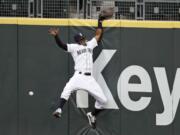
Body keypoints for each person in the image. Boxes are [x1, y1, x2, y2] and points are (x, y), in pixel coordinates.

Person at [48, 18, 107, 127]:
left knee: (103, 101)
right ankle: (59, 109)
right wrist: (56, 36)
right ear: (77, 41)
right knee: (67, 89)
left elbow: (98, 35)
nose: (83, 40)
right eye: (80, 39)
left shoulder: (90, 44)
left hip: (89, 79)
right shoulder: (74, 47)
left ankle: (92, 115)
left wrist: (100, 21)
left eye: (83, 38)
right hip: (78, 76)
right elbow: (62, 46)